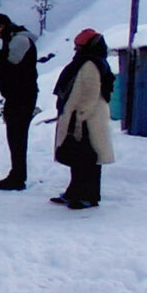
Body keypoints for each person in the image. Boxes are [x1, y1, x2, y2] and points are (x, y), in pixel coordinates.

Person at [53, 29, 116, 209]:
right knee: (81, 156)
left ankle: (86, 195)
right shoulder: (93, 61)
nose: (76, 48)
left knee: (86, 157)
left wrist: (80, 115)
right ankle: (77, 192)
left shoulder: (89, 63)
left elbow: (90, 92)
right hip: (86, 116)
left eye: (79, 45)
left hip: (86, 118)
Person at [0, 13, 40, 190]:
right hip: (19, 95)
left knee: (17, 136)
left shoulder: (19, 40)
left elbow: (12, 62)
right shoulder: (16, 39)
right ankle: (17, 173)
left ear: (1, 26)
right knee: (16, 136)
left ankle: (18, 176)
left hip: (20, 96)